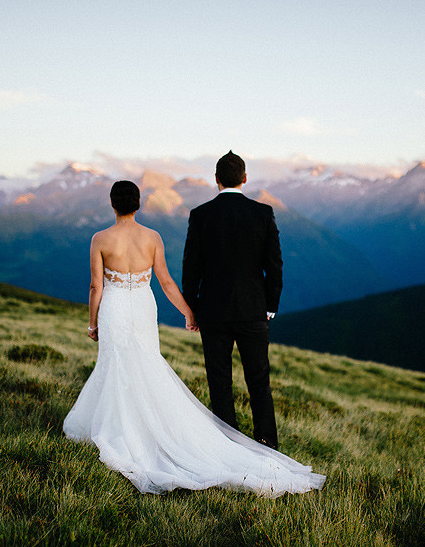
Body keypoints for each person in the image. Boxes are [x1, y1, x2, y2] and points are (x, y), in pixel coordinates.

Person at [63, 180, 324, 497]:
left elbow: (95, 287)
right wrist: (189, 312)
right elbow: (167, 282)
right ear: (139, 203)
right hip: (144, 307)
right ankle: (149, 428)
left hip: (115, 308)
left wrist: (93, 324)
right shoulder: (152, 238)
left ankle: (122, 429)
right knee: (146, 364)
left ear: (112, 203)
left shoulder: (100, 239)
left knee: (117, 364)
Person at [182, 151, 282, 449]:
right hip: (253, 309)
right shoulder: (263, 213)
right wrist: (270, 306)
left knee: (219, 380)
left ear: (216, 180)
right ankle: (266, 442)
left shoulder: (200, 215)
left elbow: (191, 268)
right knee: (258, 379)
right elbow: (274, 264)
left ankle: (228, 445)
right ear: (245, 179)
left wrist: (193, 308)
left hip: (213, 311)